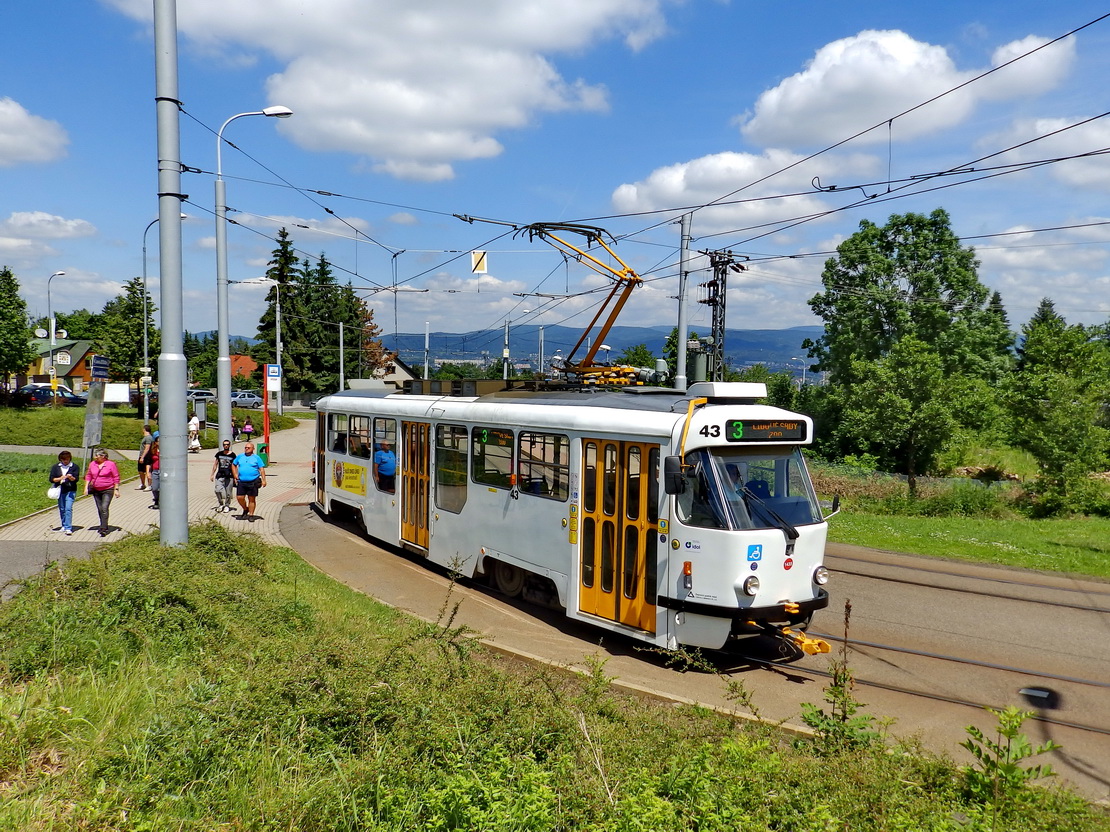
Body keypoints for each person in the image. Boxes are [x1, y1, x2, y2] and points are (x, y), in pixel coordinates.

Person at [85, 449, 121, 536]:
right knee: (100, 508)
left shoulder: (111, 464)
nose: (95, 457)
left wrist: (116, 489)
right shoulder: (92, 464)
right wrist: (86, 487)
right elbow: (88, 475)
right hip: (96, 489)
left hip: (108, 489)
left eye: (97, 456)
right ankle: (103, 523)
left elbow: (116, 477)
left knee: (104, 507)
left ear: (103, 456)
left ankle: (103, 528)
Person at [231, 441, 267, 521]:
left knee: (251, 499)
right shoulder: (240, 456)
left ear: (253, 449)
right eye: (245, 447)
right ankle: (245, 508)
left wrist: (264, 480)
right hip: (241, 481)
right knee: (240, 497)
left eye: (248, 448)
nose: (246, 449)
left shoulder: (256, 458)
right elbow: (233, 464)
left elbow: (261, 469)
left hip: (253, 481)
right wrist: (235, 474)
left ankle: (251, 515)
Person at [49, 450, 80, 535]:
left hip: (70, 490)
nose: (66, 461)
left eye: (67, 459)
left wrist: (71, 478)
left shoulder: (74, 467)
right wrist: (60, 478)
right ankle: (64, 525)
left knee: (68, 508)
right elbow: (52, 479)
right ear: (61, 459)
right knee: (62, 508)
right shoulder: (56, 467)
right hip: (60, 490)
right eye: (64, 460)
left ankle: (68, 527)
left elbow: (76, 479)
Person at [211, 439, 236, 513]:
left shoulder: (233, 455)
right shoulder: (219, 454)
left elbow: (235, 466)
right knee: (217, 490)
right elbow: (215, 464)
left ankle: (227, 505)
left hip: (229, 476)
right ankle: (221, 504)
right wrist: (212, 474)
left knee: (228, 493)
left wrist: (235, 477)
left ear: (229, 445)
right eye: (224, 444)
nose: (226, 446)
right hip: (220, 475)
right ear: (223, 445)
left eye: (227, 444)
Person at [137, 424, 154, 490]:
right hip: (142, 456)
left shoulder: (148, 437)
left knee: (148, 471)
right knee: (140, 470)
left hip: (147, 457)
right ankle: (143, 484)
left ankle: (149, 485)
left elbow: (147, 448)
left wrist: (142, 457)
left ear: (144, 429)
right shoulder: (146, 437)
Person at [149, 435, 161, 508]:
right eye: (158, 441)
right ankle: (156, 499)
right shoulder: (153, 450)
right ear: (156, 442)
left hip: (164, 471)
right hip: (155, 470)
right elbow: (149, 462)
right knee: (155, 487)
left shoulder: (167, 449)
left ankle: (162, 501)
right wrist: (148, 472)